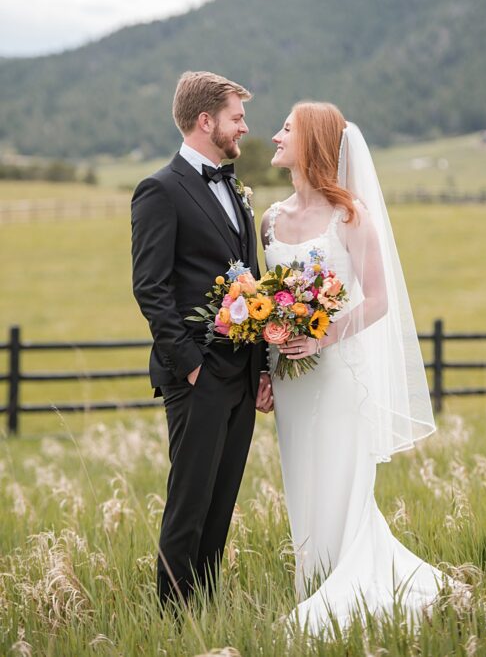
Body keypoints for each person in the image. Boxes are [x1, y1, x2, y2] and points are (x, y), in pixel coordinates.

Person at [258, 101, 448, 636]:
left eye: (287, 130)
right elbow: (264, 299)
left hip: (336, 375)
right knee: (301, 475)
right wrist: (268, 366)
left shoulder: (350, 216)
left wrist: (320, 336)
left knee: (341, 475)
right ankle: (312, 579)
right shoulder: (269, 219)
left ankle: (344, 585)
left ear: (312, 142)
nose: (275, 136)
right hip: (290, 381)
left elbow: (379, 300)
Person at [131, 70, 272, 607]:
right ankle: (171, 615)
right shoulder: (159, 190)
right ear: (205, 120)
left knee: (221, 499)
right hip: (197, 374)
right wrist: (190, 365)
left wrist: (262, 368)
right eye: (237, 117)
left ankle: (205, 608)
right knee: (189, 502)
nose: (245, 127)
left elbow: (249, 278)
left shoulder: (234, 186)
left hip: (240, 371)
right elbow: (151, 288)